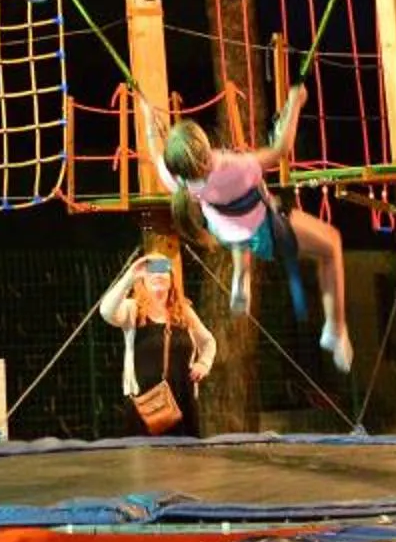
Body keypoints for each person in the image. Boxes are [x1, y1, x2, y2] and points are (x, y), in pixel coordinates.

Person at [150, 97, 351, 374]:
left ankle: (240, 279)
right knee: (331, 245)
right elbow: (280, 149)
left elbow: (155, 155)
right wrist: (294, 103)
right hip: (263, 233)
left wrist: (151, 123)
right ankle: (335, 327)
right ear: (206, 147)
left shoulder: (178, 180)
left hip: (222, 230)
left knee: (236, 227)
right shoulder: (235, 168)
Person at [95, 238, 216, 436]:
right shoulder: (133, 310)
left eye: (163, 276)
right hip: (145, 405)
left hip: (182, 403)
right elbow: (106, 312)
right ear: (143, 282)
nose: (158, 282)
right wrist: (129, 277)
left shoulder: (183, 311)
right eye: (152, 277)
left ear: (170, 280)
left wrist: (204, 363)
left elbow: (208, 342)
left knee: (187, 462)